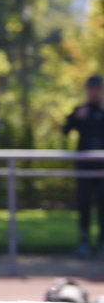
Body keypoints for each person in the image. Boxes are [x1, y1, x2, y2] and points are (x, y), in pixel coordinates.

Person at [62, 74, 104, 257]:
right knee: (84, 205)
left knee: (103, 206)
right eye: (91, 88)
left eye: (96, 89)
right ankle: (84, 241)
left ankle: (102, 242)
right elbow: (65, 130)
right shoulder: (80, 110)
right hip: (84, 166)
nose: (93, 92)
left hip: (102, 167)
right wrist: (76, 118)